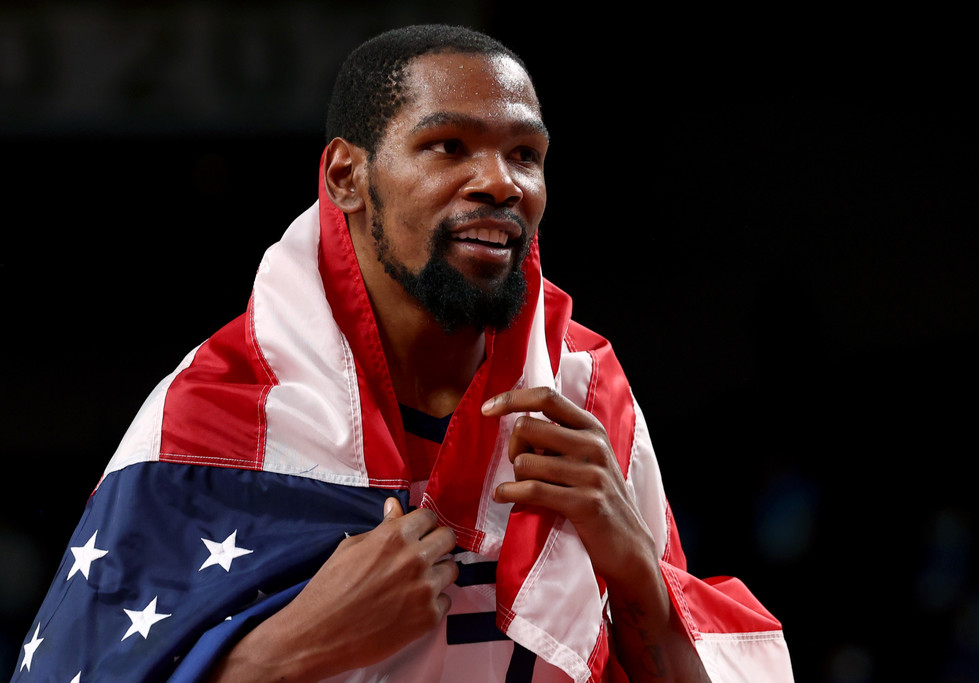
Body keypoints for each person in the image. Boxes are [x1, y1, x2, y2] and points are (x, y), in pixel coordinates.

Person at [14, 25, 793, 682]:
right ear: (346, 176)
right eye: (449, 145)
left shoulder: (585, 389)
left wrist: (638, 579)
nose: (500, 183)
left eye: (525, 154)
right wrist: (289, 650)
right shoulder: (208, 416)